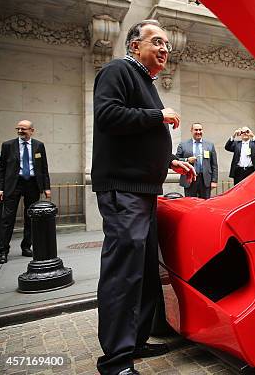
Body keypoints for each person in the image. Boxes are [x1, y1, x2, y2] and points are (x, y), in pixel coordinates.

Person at [92, 19, 195, 375]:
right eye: (157, 41)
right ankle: (116, 361)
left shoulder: (144, 81)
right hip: (124, 192)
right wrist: (158, 115)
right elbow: (107, 115)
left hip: (144, 192)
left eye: (167, 43)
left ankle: (135, 342)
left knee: (144, 272)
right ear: (135, 46)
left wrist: (171, 162)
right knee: (124, 274)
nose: (165, 48)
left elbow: (136, 139)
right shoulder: (118, 70)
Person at [0, 120, 51, 264]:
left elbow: (44, 168)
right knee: (7, 219)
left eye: (24, 129)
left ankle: (26, 247)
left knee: (31, 218)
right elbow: (1, 169)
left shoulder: (38, 145)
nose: (20, 131)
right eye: (18, 128)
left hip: (32, 184)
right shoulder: (8, 145)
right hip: (13, 185)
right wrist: (0, 188)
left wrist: (46, 187)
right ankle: (3, 250)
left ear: (32, 130)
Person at [175, 122, 218, 198]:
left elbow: (214, 165)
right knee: (190, 204)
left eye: (200, 130)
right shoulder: (183, 145)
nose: (198, 132)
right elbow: (176, 160)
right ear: (191, 131)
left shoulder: (210, 145)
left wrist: (214, 181)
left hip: (205, 180)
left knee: (205, 204)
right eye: (196, 130)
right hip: (189, 179)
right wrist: (187, 160)